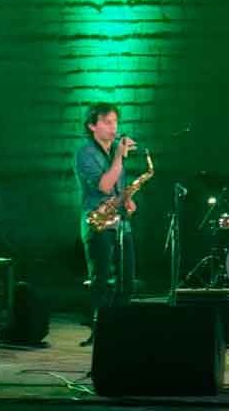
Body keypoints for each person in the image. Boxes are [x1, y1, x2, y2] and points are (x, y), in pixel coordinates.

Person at [75, 103, 138, 346]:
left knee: (127, 278)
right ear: (92, 126)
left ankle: (121, 329)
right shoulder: (85, 153)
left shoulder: (114, 151)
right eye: (108, 122)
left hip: (121, 223)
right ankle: (100, 331)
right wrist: (119, 158)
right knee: (101, 279)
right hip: (98, 223)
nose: (114, 127)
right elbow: (103, 185)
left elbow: (117, 187)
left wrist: (129, 199)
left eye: (115, 122)